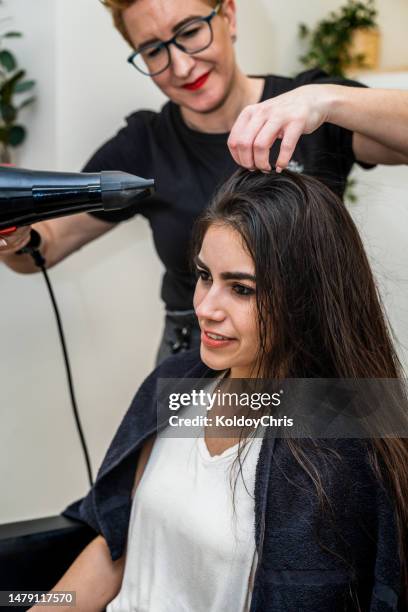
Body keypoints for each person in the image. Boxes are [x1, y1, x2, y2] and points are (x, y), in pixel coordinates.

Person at [30, 169, 407, 611]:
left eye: (241, 289)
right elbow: (118, 544)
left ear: (307, 297)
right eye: (205, 276)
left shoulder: (338, 444)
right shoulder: (177, 384)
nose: (206, 308)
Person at [1, 0, 408, 364]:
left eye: (190, 32)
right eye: (153, 50)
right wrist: (18, 239)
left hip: (311, 339)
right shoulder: (143, 146)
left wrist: (327, 100)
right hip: (199, 348)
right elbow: (45, 245)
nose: (180, 66)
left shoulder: (312, 111)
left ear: (228, 16)